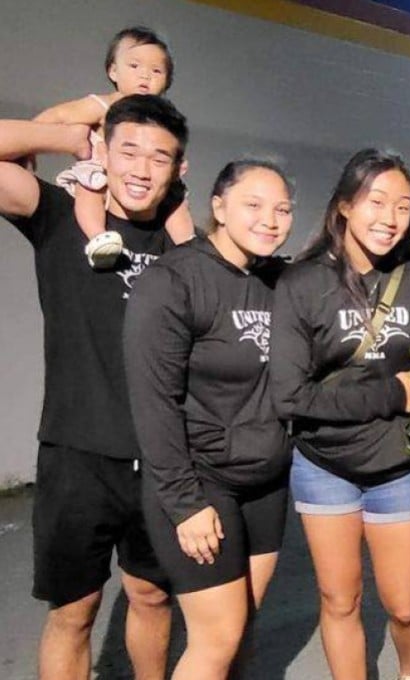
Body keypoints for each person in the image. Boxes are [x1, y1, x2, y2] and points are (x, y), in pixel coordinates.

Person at [0, 94, 189, 680]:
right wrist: (69, 134)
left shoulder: (186, 249)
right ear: (103, 151)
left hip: (160, 460)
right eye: (127, 149)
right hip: (75, 454)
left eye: (159, 158)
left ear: (178, 171)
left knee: (152, 597)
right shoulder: (57, 214)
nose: (140, 168)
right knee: (73, 612)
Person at [124, 159, 294, 679]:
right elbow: (152, 402)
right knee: (215, 638)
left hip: (265, 483)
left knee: (239, 631)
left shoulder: (279, 280)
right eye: (253, 205)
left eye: (282, 209)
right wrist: (184, 502)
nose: (270, 220)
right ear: (218, 208)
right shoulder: (173, 281)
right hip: (200, 482)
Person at [270, 149, 410, 680]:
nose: (389, 218)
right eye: (375, 201)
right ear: (343, 206)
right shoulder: (302, 283)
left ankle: (408, 673)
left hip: (398, 465)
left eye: (403, 206)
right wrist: (392, 394)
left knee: (404, 604)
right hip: (324, 466)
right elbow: (291, 396)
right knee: (340, 600)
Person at [33, 26, 193, 268]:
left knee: (176, 199)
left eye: (156, 70)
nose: (145, 76)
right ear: (113, 70)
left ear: (167, 82)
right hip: (100, 172)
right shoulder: (103, 104)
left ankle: (190, 250)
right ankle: (98, 237)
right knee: (89, 189)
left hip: (143, 191)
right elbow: (58, 115)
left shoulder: (162, 117)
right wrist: (29, 145)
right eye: (134, 66)